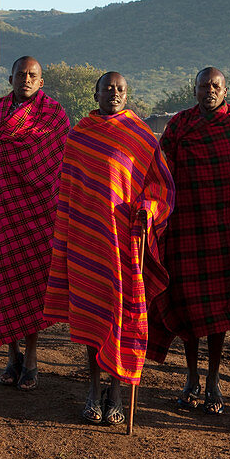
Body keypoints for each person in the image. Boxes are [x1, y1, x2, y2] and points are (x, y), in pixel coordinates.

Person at [43, 72, 175, 425]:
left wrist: (148, 208)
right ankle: (93, 387)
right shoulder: (80, 136)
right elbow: (69, 191)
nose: (114, 94)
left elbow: (161, 186)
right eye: (108, 89)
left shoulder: (142, 138)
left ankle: (116, 391)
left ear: (127, 95)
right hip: (88, 239)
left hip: (125, 242)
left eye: (120, 90)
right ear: (96, 93)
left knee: (122, 314)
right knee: (93, 314)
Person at [0, 56, 69, 391]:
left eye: (32, 75)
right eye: (21, 74)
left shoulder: (55, 116)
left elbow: (63, 165)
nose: (26, 79)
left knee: (35, 286)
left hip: (40, 215)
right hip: (2, 212)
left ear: (41, 80)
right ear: (10, 79)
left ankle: (32, 357)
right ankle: (12, 354)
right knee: (5, 285)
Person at [150, 67, 230, 415]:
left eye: (215, 86)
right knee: (189, 306)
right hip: (186, 228)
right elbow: (162, 172)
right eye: (202, 86)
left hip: (225, 233)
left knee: (219, 311)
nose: (209, 91)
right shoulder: (179, 125)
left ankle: (213, 379)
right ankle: (192, 376)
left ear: (226, 90)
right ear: (193, 90)